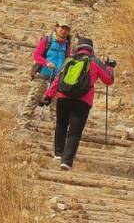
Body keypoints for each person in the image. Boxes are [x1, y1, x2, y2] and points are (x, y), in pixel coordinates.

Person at [42, 38, 115, 170]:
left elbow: (58, 79)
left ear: (78, 47)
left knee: (61, 124)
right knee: (74, 132)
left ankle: (58, 154)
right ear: (91, 49)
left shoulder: (69, 60)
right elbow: (108, 80)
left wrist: (48, 95)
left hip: (63, 97)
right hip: (83, 100)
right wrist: (109, 67)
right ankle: (67, 161)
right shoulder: (95, 62)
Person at [18, 20, 72, 125]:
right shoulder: (47, 40)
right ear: (56, 27)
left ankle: (57, 126)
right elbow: (37, 55)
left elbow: (67, 57)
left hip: (57, 78)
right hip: (42, 74)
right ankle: (23, 122)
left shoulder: (67, 44)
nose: (64, 31)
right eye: (62, 28)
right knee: (34, 97)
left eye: (67, 29)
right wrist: (46, 62)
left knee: (57, 103)